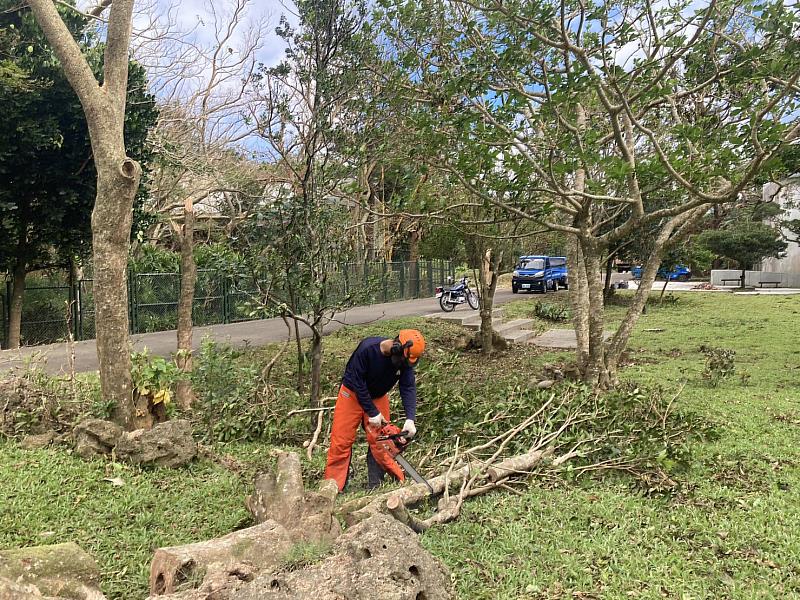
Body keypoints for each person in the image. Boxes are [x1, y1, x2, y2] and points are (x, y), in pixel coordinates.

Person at [324, 329, 425, 491]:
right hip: (352, 394)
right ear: (396, 348)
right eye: (402, 360)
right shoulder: (367, 349)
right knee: (341, 442)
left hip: (378, 396)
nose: (403, 365)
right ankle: (333, 487)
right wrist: (372, 412)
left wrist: (410, 418)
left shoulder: (405, 360)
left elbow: (407, 386)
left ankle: (377, 485)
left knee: (383, 442)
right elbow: (358, 383)